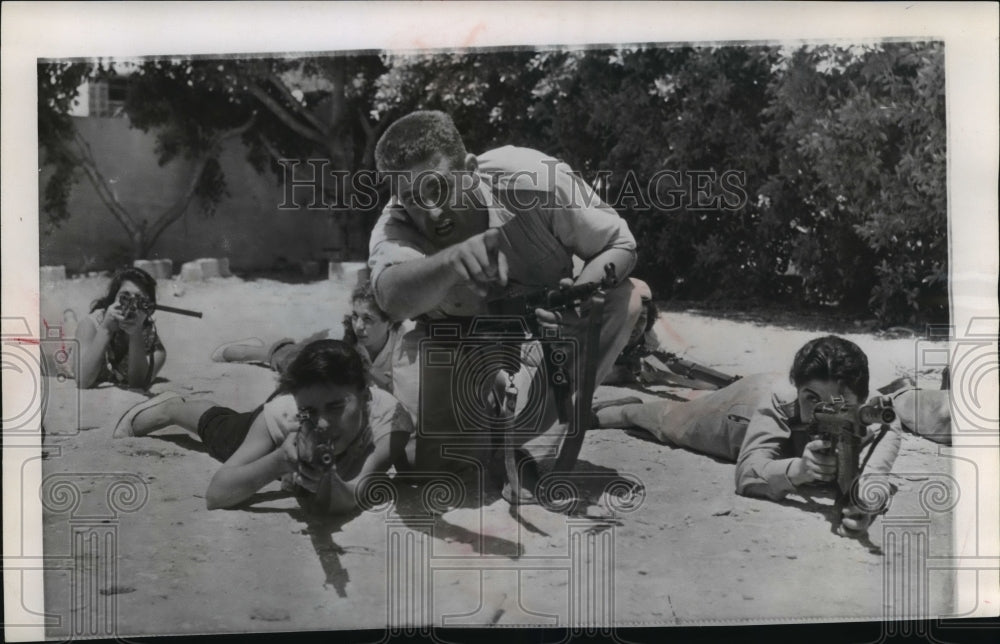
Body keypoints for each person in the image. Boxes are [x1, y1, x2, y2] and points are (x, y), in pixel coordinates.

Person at [368, 110, 641, 503]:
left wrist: (579, 298)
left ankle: (534, 440)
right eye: (412, 197)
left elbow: (620, 245)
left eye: (439, 188)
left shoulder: (536, 180)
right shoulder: (396, 222)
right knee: (427, 469)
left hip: (542, 339)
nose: (431, 210)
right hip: (454, 349)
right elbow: (390, 299)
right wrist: (452, 260)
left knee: (625, 297)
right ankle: (505, 440)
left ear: (470, 169)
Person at [595, 335, 902, 534]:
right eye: (812, 398)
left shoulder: (876, 415)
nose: (827, 408)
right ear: (798, 389)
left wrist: (866, 503)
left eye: (840, 402)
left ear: (860, 400)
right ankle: (623, 409)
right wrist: (799, 470)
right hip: (742, 411)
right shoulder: (780, 398)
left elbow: (875, 474)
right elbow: (747, 476)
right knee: (670, 422)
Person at [113, 340, 414, 513]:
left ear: (364, 395)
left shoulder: (390, 419)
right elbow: (215, 494)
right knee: (223, 431)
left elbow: (351, 495)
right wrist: (278, 461)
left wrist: (323, 479)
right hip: (281, 421)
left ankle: (267, 350)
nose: (322, 422)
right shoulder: (284, 412)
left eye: (336, 407)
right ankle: (171, 407)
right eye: (311, 411)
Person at [210, 281, 409, 393]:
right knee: (292, 362)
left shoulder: (404, 345)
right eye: (356, 316)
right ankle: (251, 351)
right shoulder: (345, 337)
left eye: (368, 319)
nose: (359, 326)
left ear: (390, 322)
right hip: (327, 340)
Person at [604, 278, 739, 389]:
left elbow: (675, 364)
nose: (634, 326)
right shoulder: (600, 334)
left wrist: (729, 382)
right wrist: (627, 372)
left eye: (642, 318)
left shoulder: (650, 338)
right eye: (630, 316)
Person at [75, 266, 166, 389]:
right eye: (124, 297)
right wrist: (106, 329)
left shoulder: (155, 348)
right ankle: (69, 316)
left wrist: (135, 333)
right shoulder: (91, 325)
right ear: (113, 299)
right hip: (72, 351)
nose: (131, 306)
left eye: (139, 300)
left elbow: (138, 384)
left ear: (148, 309)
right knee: (71, 325)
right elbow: (82, 381)